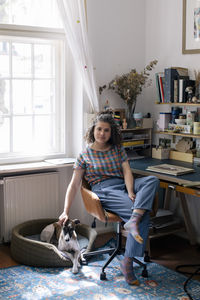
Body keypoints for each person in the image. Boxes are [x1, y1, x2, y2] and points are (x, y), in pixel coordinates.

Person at [59, 110, 159, 285]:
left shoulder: (117, 149)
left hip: (122, 185)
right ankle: (127, 262)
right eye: (99, 129)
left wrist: (129, 191)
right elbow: (74, 184)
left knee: (152, 180)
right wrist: (65, 211)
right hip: (104, 189)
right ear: (93, 130)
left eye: (106, 130)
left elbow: (127, 171)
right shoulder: (84, 155)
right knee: (143, 214)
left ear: (111, 133)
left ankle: (133, 220)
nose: (102, 134)